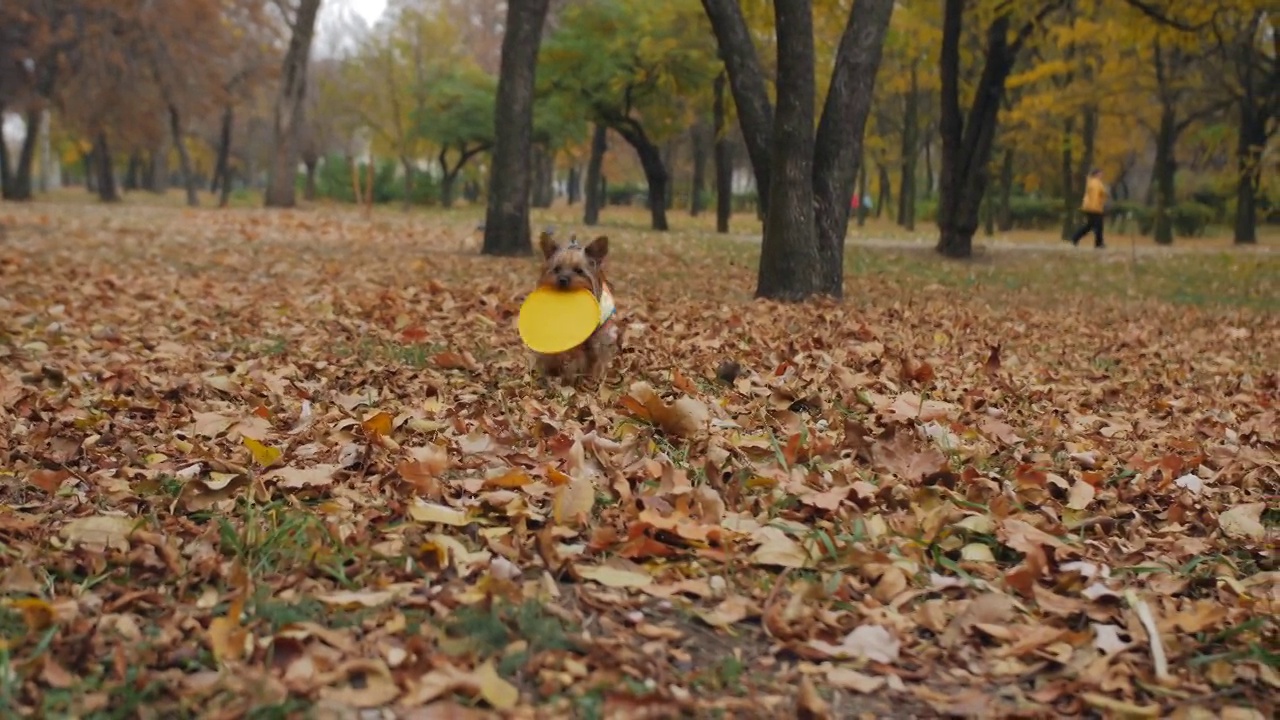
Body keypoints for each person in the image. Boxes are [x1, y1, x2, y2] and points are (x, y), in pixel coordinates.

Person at [1069, 168, 1108, 248]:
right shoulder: (1095, 183)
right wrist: (1096, 208)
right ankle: (1098, 243)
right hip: (1094, 208)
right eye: (1100, 173)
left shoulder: (1095, 182)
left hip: (1093, 207)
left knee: (1090, 226)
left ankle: (1075, 238)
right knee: (1098, 226)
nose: (1102, 175)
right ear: (1096, 174)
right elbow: (1094, 196)